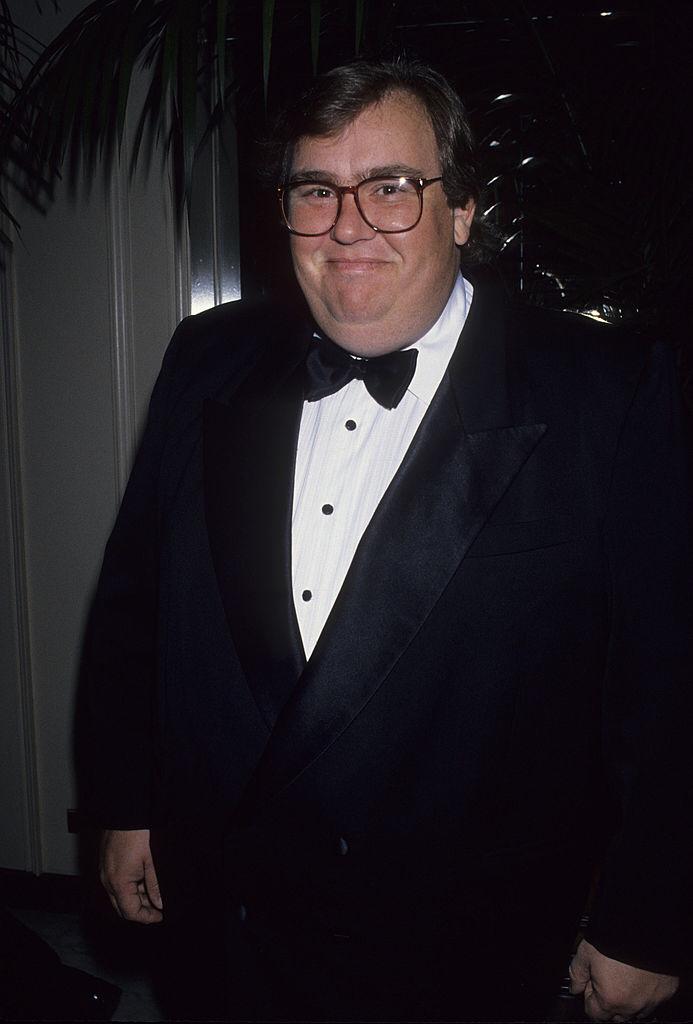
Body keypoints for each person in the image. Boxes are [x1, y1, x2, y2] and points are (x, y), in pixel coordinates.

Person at [83, 57, 692, 1022]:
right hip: (232, 921)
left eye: (393, 188)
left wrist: (650, 920)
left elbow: (668, 685)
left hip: (459, 950)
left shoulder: (605, 392)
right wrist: (125, 805)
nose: (349, 224)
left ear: (461, 211)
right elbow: (132, 609)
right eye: (316, 190)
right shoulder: (208, 356)